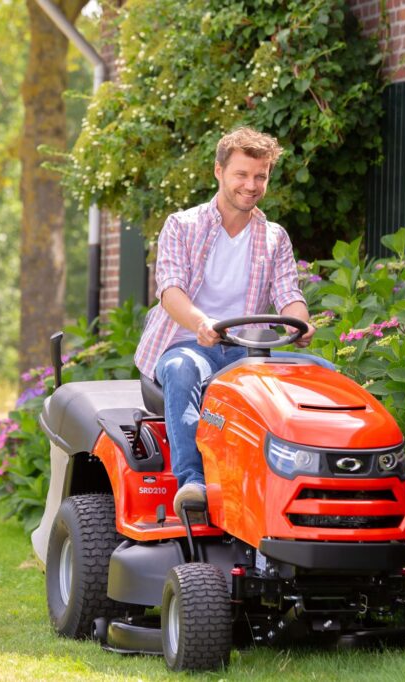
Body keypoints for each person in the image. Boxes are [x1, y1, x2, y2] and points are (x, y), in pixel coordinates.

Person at [133, 127, 329, 515]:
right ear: (219, 172)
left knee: (324, 375)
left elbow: (290, 296)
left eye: (261, 176)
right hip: (189, 344)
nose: (251, 185)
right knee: (183, 369)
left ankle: (318, 484)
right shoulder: (182, 226)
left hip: (248, 353)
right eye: (242, 174)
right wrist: (201, 323)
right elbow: (171, 292)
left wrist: (300, 323)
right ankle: (193, 483)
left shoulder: (274, 237)